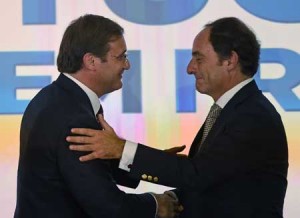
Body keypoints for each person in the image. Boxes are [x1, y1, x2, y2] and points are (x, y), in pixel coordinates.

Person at [66, 17, 289, 218]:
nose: (190, 69)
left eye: (198, 59)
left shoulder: (253, 116)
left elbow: (196, 175)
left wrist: (121, 149)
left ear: (230, 60)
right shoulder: (234, 110)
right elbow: (211, 181)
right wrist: (165, 201)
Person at [14, 14, 181, 218]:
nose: (127, 65)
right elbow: (107, 206)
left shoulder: (54, 97)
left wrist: (150, 162)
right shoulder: (74, 117)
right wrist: (156, 205)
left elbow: (85, 167)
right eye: (120, 57)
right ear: (91, 61)